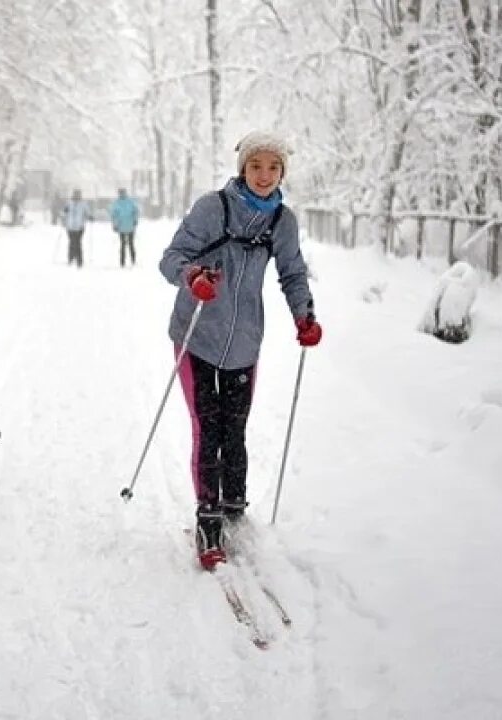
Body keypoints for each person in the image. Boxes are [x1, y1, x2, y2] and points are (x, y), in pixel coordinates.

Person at [158, 131, 322, 570]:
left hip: (246, 340)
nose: (264, 175)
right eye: (256, 166)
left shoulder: (282, 222)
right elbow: (170, 258)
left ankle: (234, 505)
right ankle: (208, 517)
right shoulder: (214, 207)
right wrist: (193, 276)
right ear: (242, 169)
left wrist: (304, 316)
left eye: (273, 167)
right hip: (197, 335)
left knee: (236, 429)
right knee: (206, 427)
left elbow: (292, 273)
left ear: (283, 171)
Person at [109, 188, 141, 267]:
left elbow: (135, 211)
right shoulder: (117, 203)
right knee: (124, 244)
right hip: (122, 227)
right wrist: (115, 225)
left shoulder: (129, 202)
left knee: (129, 244)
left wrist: (135, 220)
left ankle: (132, 260)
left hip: (129, 226)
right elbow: (114, 215)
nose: (121, 194)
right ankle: (123, 261)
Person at [61, 189, 91, 267]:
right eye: (75, 194)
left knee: (78, 243)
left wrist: (90, 217)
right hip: (70, 226)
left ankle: (79, 260)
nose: (76, 196)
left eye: (78, 195)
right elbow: (64, 213)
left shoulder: (83, 204)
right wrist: (64, 218)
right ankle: (70, 258)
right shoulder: (69, 203)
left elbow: (87, 213)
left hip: (80, 227)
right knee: (71, 242)